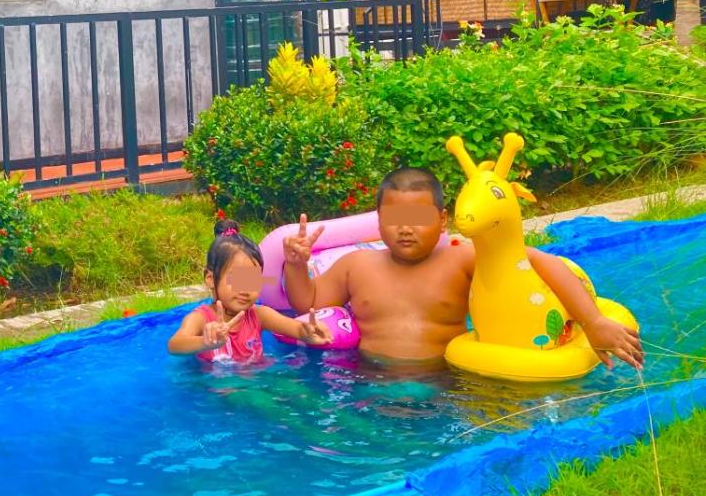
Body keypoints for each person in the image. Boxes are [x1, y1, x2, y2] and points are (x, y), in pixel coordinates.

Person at [281, 167, 644, 368]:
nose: (405, 228)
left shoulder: (461, 258)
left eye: (418, 217)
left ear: (442, 221)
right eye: (394, 217)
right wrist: (297, 265)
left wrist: (592, 322)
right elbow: (307, 302)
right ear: (378, 220)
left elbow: (541, 262)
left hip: (448, 381)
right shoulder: (357, 265)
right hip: (370, 381)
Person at [169, 222, 333, 362]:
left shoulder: (259, 315)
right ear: (210, 279)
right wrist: (206, 341)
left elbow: (296, 329)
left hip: (257, 375)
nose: (245, 289)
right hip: (219, 383)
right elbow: (175, 345)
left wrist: (308, 332)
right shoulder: (201, 318)